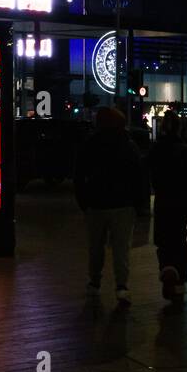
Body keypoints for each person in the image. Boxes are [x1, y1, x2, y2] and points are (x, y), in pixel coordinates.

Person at [73, 106, 143, 304]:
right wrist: (138, 203)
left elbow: (79, 174)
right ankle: (121, 286)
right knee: (121, 249)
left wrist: (84, 201)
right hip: (123, 205)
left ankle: (95, 282)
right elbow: (138, 176)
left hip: (96, 204)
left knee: (96, 247)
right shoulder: (128, 145)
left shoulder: (90, 144)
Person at [146, 110, 187, 302]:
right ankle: (181, 279)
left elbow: (148, 173)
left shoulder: (156, 150)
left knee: (164, 242)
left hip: (163, 203)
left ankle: (167, 267)